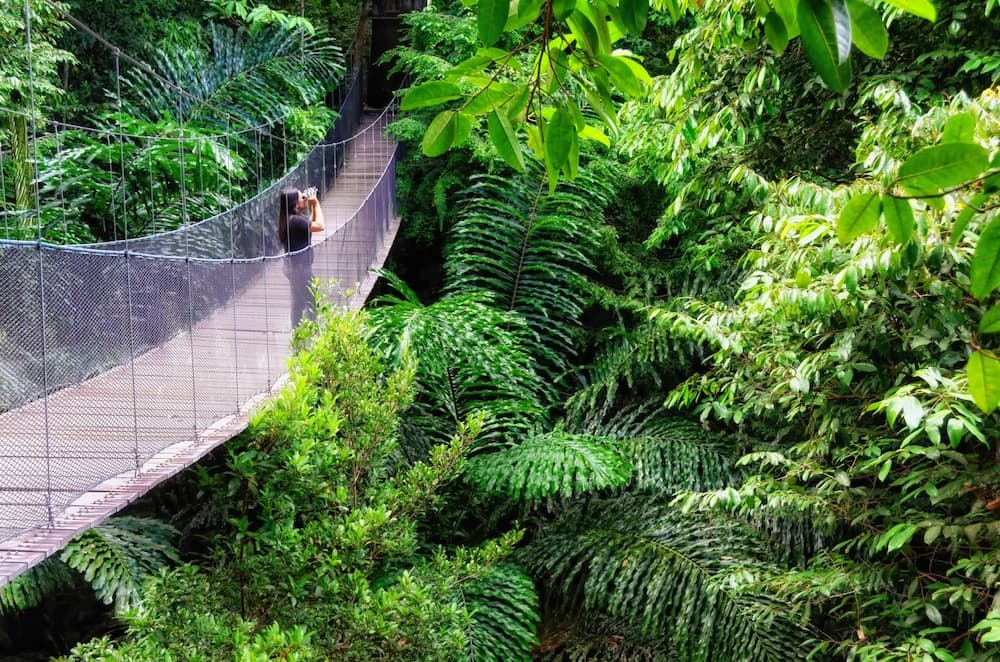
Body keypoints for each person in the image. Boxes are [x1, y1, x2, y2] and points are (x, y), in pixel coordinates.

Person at [278, 185, 325, 326]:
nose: (304, 199)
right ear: (295, 203)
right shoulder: (295, 220)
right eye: (301, 197)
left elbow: (308, 226)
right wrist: (315, 202)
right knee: (312, 302)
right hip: (300, 269)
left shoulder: (290, 218)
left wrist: (313, 206)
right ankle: (311, 332)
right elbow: (320, 226)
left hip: (293, 267)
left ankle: (297, 332)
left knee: (298, 303)